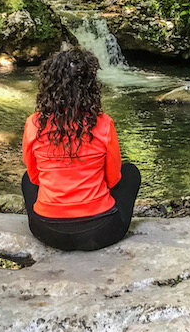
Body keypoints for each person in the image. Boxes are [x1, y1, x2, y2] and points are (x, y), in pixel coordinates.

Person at [21, 47, 141, 251]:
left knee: (26, 179)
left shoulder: (34, 124)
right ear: (91, 86)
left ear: (48, 86)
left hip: (48, 231)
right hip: (101, 231)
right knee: (131, 172)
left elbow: (34, 178)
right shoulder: (103, 123)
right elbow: (113, 179)